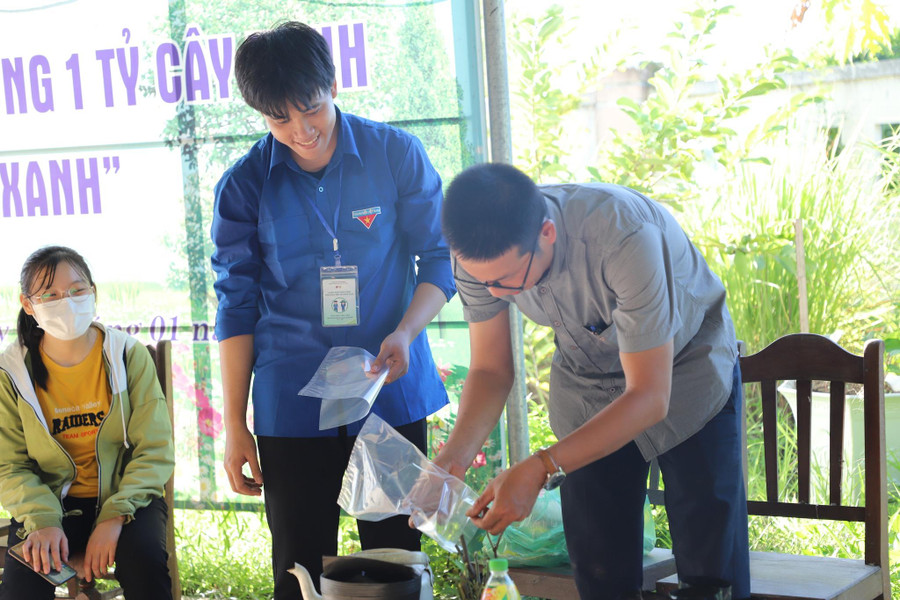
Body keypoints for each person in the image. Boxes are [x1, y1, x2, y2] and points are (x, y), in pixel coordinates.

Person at [209, 21, 455, 599]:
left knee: (394, 557)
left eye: (311, 109)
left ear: (335, 85)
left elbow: (439, 263)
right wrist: (235, 424)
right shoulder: (244, 186)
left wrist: (406, 331)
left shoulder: (395, 154)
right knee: (299, 562)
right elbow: (236, 307)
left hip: (387, 390)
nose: (301, 131)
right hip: (291, 402)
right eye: (279, 120)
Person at [436, 163, 750, 600]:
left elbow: (649, 396)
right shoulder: (478, 254)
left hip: (686, 369)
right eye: (484, 282)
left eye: (507, 280)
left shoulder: (621, 237)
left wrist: (541, 465)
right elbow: (490, 369)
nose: (495, 294)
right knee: (600, 567)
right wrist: (453, 459)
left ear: (547, 233)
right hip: (588, 383)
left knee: (710, 570)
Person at [0, 246, 175, 600]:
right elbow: (9, 465)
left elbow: (154, 450)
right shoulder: (12, 372)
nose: (66, 301)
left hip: (127, 500)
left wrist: (114, 517)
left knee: (146, 563)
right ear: (28, 304)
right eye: (49, 294)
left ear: (93, 292)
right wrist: (44, 522)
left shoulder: (126, 354)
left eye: (77, 290)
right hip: (47, 505)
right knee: (21, 586)